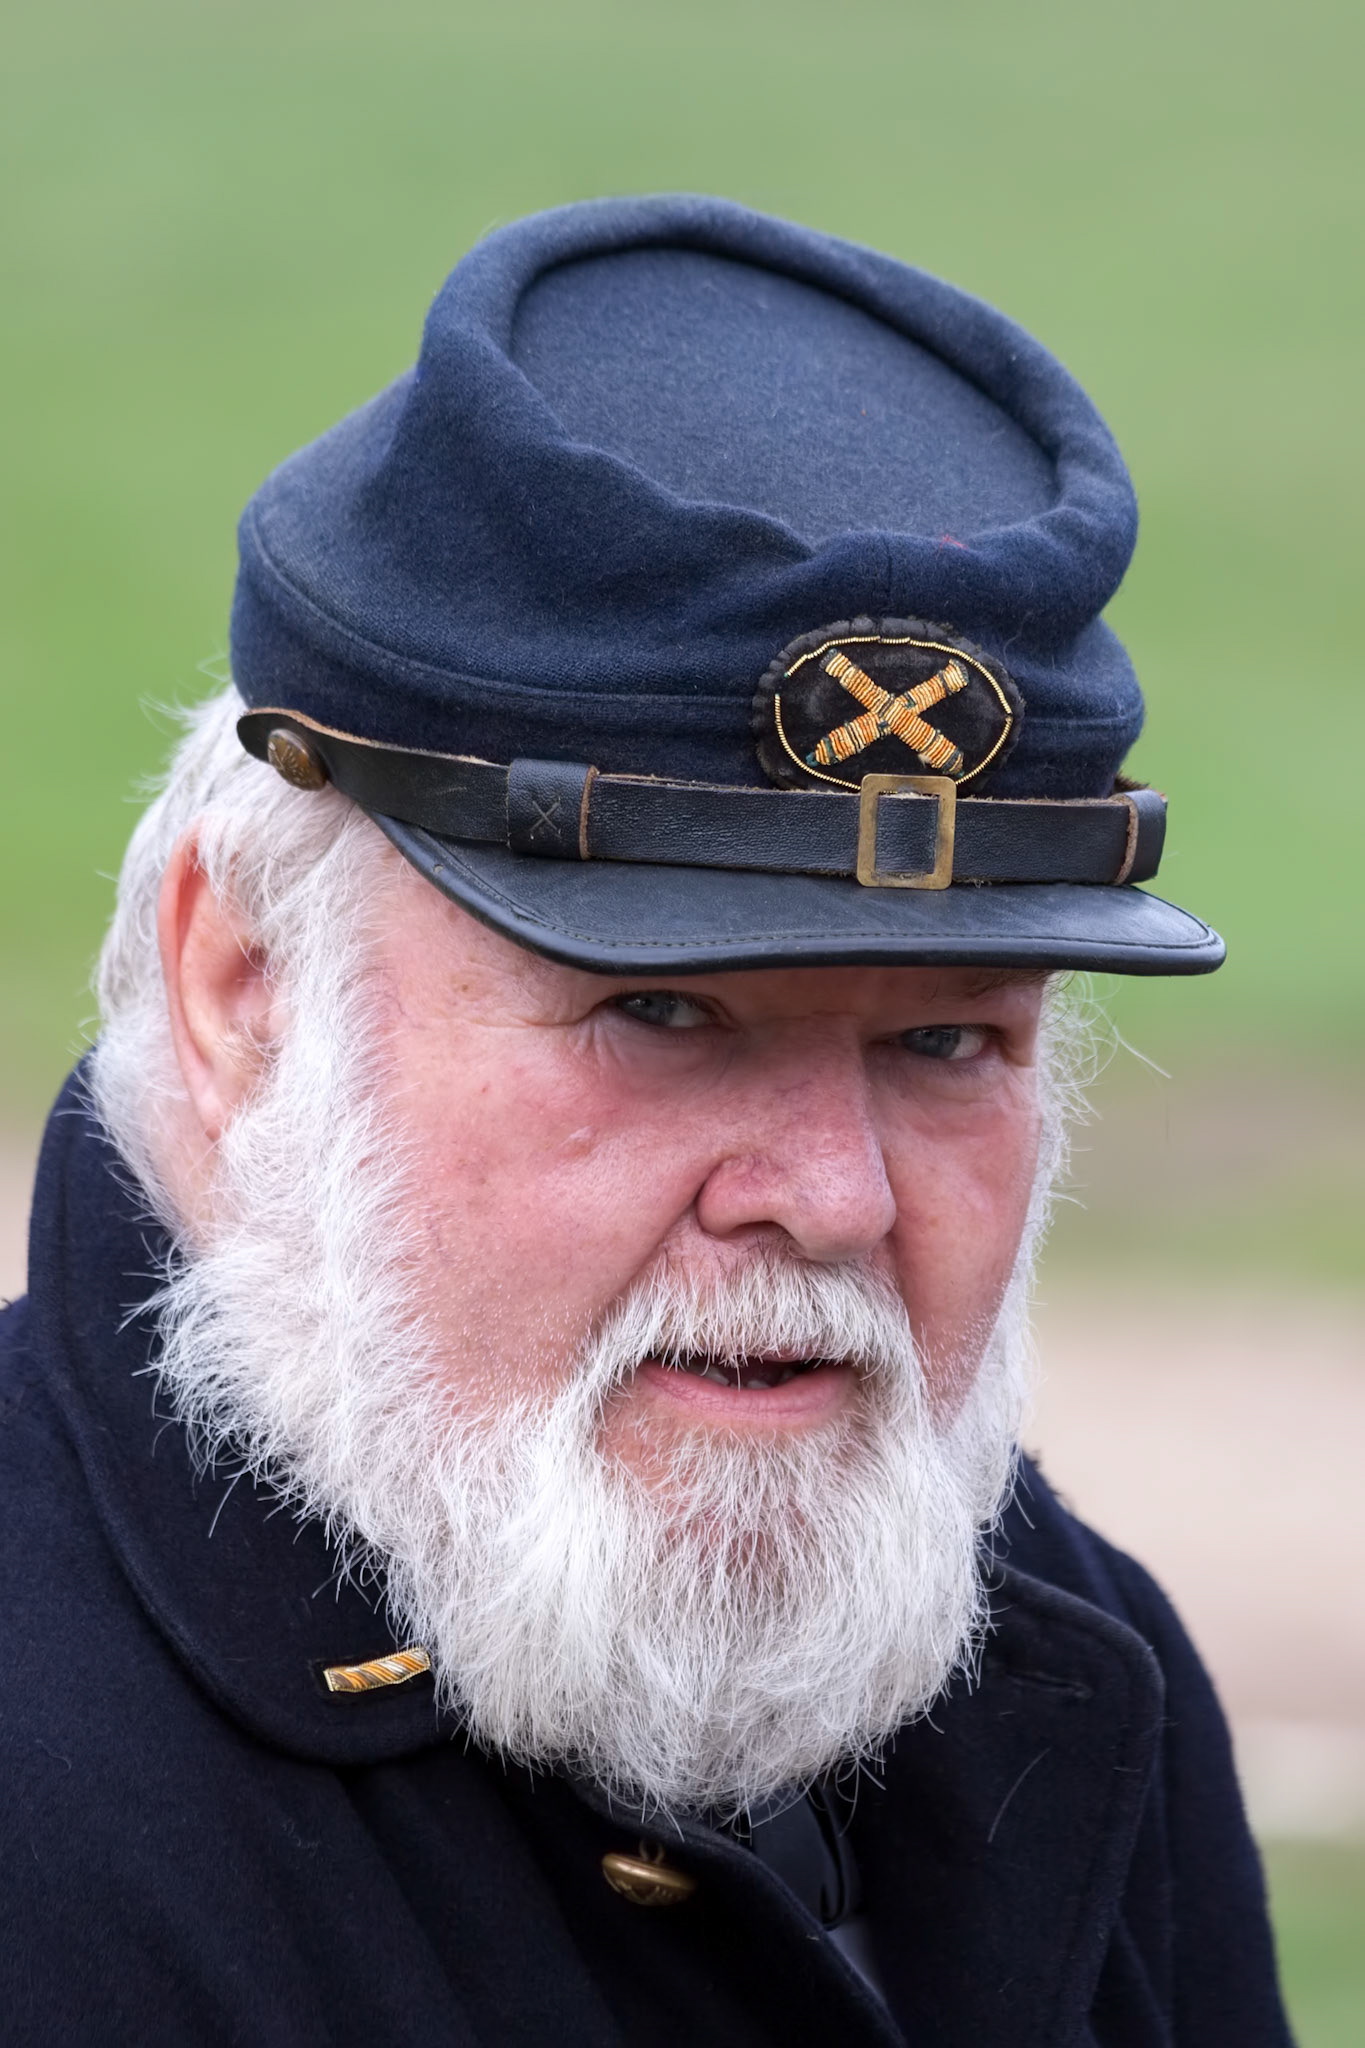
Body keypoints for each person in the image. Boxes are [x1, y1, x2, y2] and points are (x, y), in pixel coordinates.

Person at [0, 196, 1292, 2045]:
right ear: (246, 989)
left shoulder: (1070, 1663)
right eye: (661, 1014)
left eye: (943, 1043)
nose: (829, 1198)